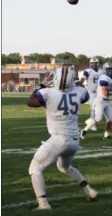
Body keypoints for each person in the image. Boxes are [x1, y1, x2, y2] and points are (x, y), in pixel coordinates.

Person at [27, 67, 97, 210]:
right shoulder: (80, 92)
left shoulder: (47, 93)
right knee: (64, 167)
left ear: (56, 80)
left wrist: (41, 86)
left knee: (35, 168)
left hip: (59, 138)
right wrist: (77, 84)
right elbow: (84, 96)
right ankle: (89, 190)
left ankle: (43, 203)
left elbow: (30, 101)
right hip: (74, 140)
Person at [80, 62, 112, 140]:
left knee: (110, 118)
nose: (110, 70)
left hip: (107, 101)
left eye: (111, 68)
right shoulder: (103, 77)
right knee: (98, 118)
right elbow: (106, 93)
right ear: (104, 70)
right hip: (100, 101)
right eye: (108, 69)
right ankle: (84, 130)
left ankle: (107, 133)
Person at [79, 57, 104, 131]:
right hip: (91, 92)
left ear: (98, 63)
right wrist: (81, 85)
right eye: (92, 63)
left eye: (95, 63)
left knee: (99, 108)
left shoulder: (101, 71)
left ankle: (91, 122)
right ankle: (92, 124)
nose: (94, 64)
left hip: (99, 92)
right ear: (90, 64)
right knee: (94, 108)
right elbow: (82, 80)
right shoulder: (88, 71)